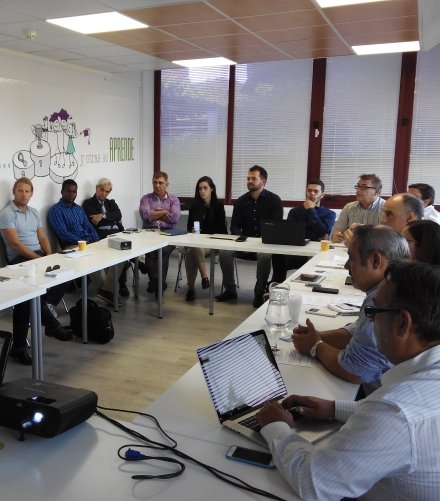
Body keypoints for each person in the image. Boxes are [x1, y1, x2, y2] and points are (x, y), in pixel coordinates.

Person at [257, 259, 440, 500]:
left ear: (402, 323)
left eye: (373, 312)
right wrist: (334, 408)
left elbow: (313, 483)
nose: (369, 322)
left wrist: (276, 427)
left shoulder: (394, 412)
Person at [293, 225, 409, 388]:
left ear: (375, 260)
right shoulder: (393, 285)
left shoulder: (383, 299)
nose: (346, 266)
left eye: (351, 258)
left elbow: (356, 371)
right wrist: (317, 336)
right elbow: (358, 330)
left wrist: (315, 346)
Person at [0, 178, 72, 365]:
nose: (24, 194)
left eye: (27, 191)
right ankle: (52, 326)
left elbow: (42, 237)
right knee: (27, 298)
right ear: (14, 192)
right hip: (19, 260)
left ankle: (20, 344)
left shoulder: (34, 212)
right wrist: (38, 259)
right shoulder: (7, 213)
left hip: (37, 257)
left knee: (65, 273)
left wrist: (49, 256)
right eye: (20, 191)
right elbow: (15, 244)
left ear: (31, 193)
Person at [215, 165, 283, 308]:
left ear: (263, 181)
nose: (249, 181)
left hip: (264, 245)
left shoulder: (274, 200)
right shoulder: (240, 201)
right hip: (244, 244)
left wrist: (256, 244)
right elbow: (234, 226)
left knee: (264, 255)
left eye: (253, 178)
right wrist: (242, 241)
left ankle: (259, 292)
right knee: (224, 252)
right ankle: (230, 290)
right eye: (248, 178)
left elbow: (275, 228)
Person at [48, 179, 118, 306]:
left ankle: (106, 290)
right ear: (62, 192)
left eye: (74, 191)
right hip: (72, 246)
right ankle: (105, 291)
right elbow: (63, 233)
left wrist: (97, 242)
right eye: (68, 191)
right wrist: (84, 242)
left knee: (116, 254)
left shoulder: (78, 209)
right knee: (90, 256)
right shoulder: (55, 210)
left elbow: (89, 227)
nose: (71, 194)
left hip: (88, 242)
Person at [271, 179, 336, 283]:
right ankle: (277, 284)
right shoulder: (294, 211)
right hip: (296, 250)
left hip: (315, 253)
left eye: (316, 191)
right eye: (309, 191)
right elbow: (289, 232)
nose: (312, 193)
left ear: (322, 195)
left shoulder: (329, 214)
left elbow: (322, 230)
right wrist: (315, 233)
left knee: (313, 262)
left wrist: (310, 209)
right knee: (278, 255)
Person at [82, 178, 130, 298]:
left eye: (107, 191)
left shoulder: (111, 203)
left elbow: (118, 214)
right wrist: (110, 217)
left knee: (125, 249)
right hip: (102, 236)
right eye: (102, 190)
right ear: (96, 188)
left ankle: (121, 282)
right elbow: (93, 219)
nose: (104, 193)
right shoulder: (88, 203)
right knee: (121, 252)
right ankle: (122, 283)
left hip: (117, 233)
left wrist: (103, 215)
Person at [139, 171, 180, 298]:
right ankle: (159, 284)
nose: (157, 185)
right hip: (148, 233)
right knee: (151, 251)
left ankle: (155, 282)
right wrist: (165, 212)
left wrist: (154, 214)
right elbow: (145, 215)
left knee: (162, 251)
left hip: (168, 233)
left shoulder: (174, 199)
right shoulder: (146, 198)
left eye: (160, 183)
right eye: (155, 182)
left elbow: (174, 218)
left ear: (167, 184)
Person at [184, 176, 227, 301]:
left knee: (192, 249)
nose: (202, 191)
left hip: (213, 243)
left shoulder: (218, 206)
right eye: (200, 189)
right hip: (198, 243)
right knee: (191, 250)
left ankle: (191, 288)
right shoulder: (195, 206)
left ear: (211, 189)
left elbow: (221, 230)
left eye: (205, 188)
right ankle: (203, 279)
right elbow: (188, 227)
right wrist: (192, 231)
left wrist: (206, 237)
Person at [331, 173, 385, 243]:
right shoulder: (349, 207)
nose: (358, 190)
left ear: (376, 192)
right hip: (350, 248)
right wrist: (336, 236)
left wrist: (364, 229)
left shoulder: (386, 208)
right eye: (358, 186)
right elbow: (337, 232)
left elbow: (386, 238)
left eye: (364, 187)